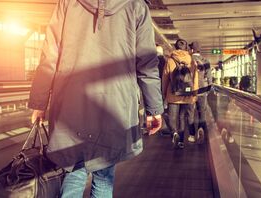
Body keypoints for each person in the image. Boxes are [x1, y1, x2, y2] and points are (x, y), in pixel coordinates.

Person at [28, 0, 163, 197]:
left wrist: (39, 104)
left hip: (70, 103)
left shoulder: (67, 3)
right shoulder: (136, 5)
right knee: (104, 173)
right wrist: (154, 109)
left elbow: (49, 55)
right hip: (115, 104)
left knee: (73, 169)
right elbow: (147, 62)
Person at [162, 39, 198, 149]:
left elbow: (165, 78)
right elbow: (195, 78)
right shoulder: (191, 60)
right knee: (182, 118)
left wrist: (164, 94)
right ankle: (181, 141)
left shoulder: (170, 60)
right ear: (186, 47)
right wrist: (194, 94)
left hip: (173, 94)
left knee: (172, 118)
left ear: (175, 47)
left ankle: (174, 133)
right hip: (187, 94)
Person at [189, 41, 212, 144]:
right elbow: (209, 77)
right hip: (202, 91)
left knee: (190, 114)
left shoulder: (189, 60)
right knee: (201, 112)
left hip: (190, 92)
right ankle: (201, 129)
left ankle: (192, 135)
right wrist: (208, 89)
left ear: (192, 49)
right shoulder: (205, 60)